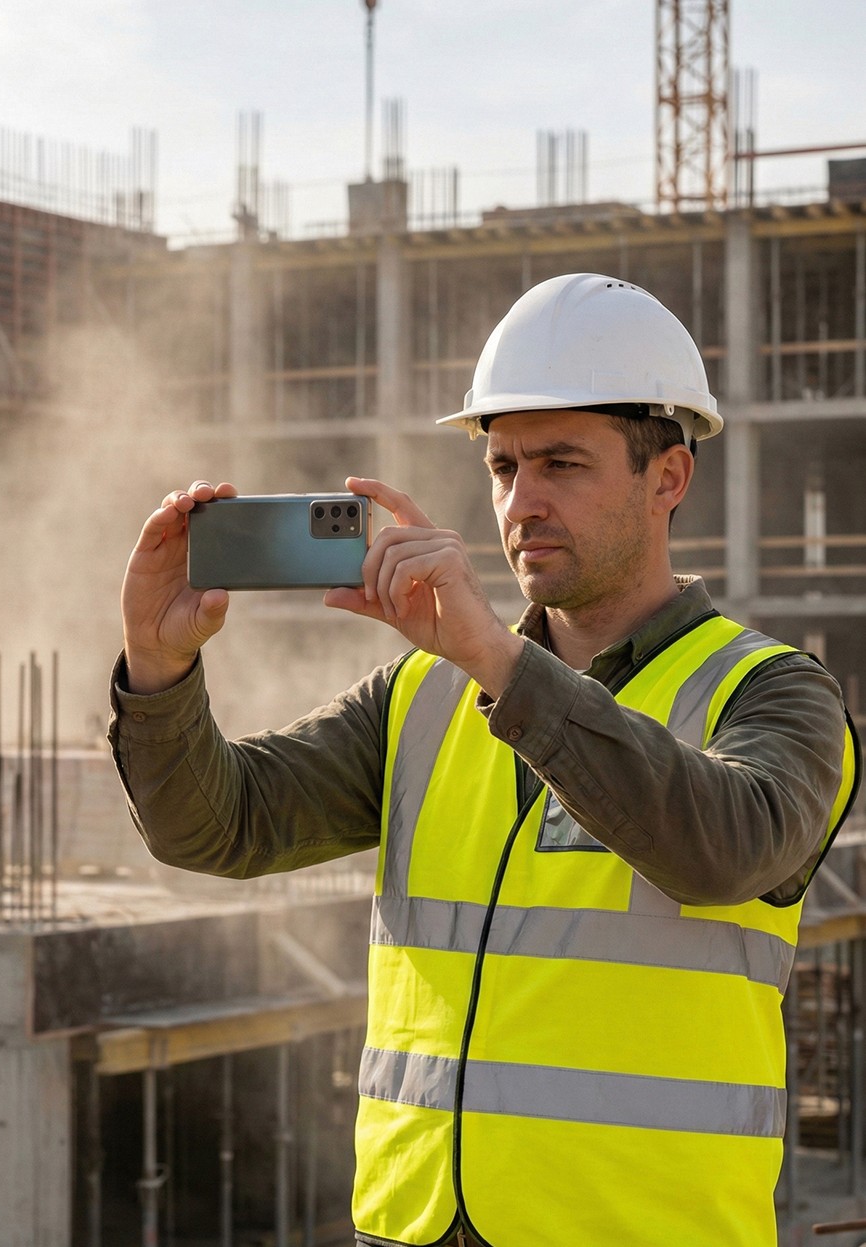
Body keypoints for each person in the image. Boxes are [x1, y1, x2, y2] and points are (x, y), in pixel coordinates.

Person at [110, 272, 861, 1247]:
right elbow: (213, 826)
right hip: (415, 1228)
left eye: (562, 464)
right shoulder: (419, 696)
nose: (522, 501)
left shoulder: (775, 691)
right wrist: (159, 669)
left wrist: (498, 660)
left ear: (667, 477)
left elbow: (721, 847)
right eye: (503, 467)